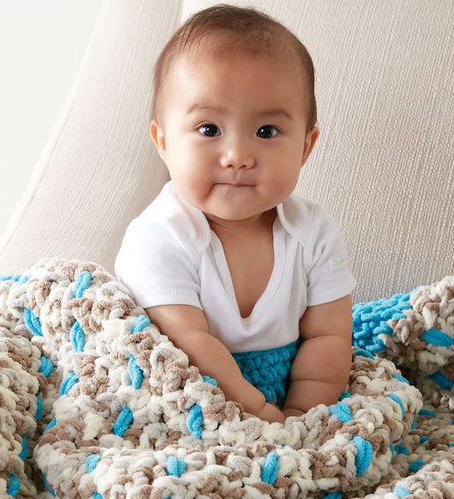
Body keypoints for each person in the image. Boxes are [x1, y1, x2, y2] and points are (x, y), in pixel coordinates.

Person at [115, 4, 356, 424]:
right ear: (164, 141)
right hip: (188, 401)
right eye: (209, 129)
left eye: (267, 132)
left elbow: (329, 336)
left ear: (305, 147)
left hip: (288, 393)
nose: (238, 157)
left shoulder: (314, 232)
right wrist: (261, 413)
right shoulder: (158, 237)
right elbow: (189, 345)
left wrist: (304, 415)